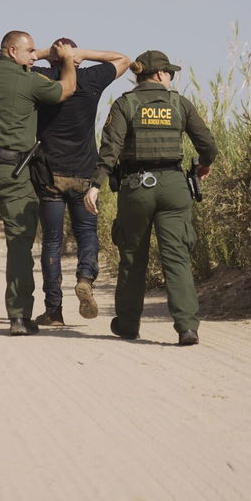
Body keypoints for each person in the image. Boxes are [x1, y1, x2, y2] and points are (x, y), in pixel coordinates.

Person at [84, 50, 217, 346]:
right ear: (159, 74)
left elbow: (110, 148)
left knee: (132, 257)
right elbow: (207, 144)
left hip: (136, 186)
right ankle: (186, 327)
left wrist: (96, 184)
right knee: (177, 257)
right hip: (173, 185)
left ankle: (129, 324)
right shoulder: (179, 104)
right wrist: (204, 163)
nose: (171, 77)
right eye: (170, 72)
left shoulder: (125, 104)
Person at [0, 31, 76, 335]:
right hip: (15, 174)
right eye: (29, 51)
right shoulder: (29, 81)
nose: (33, 57)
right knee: (20, 243)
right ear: (12, 51)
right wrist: (66, 61)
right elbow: (66, 90)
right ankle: (19, 316)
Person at [30, 39, 130, 326]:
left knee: (51, 241)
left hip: (50, 176)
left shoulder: (44, 80)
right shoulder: (89, 79)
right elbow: (123, 59)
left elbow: (17, 63)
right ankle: (86, 278)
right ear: (78, 61)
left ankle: (54, 310)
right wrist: (81, 55)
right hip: (84, 174)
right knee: (86, 232)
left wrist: (53, 56)